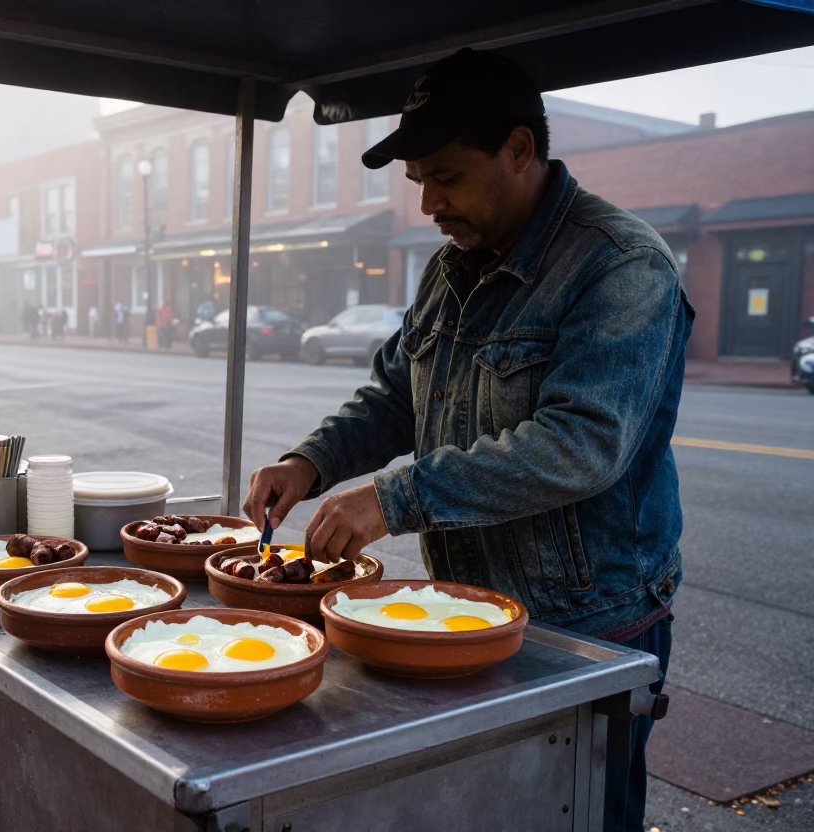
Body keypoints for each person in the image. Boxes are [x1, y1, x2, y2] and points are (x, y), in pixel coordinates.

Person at [242, 49, 692, 832]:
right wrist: (308, 461)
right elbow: (394, 395)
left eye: (445, 175)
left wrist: (394, 498)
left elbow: (581, 443)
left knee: (580, 814)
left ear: (519, 151)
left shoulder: (621, 266)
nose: (429, 204)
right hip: (463, 609)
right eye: (419, 182)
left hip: (585, 622)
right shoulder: (450, 269)